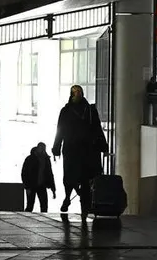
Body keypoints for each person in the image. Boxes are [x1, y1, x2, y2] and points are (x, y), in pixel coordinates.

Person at [52, 84, 108, 219]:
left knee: (82, 179)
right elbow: (60, 130)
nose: (77, 94)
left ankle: (81, 205)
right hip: (76, 150)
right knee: (72, 177)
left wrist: (103, 145)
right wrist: (56, 147)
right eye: (75, 92)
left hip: (84, 150)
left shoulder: (88, 110)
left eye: (79, 91)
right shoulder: (69, 111)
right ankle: (70, 198)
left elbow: (97, 128)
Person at [21, 143, 56, 212]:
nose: (43, 150)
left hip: (41, 185)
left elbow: (50, 174)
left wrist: (53, 189)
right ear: (37, 149)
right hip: (32, 185)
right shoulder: (30, 159)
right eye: (41, 149)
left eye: (44, 149)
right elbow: (24, 173)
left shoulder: (45, 159)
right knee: (30, 206)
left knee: (43, 206)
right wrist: (27, 186)